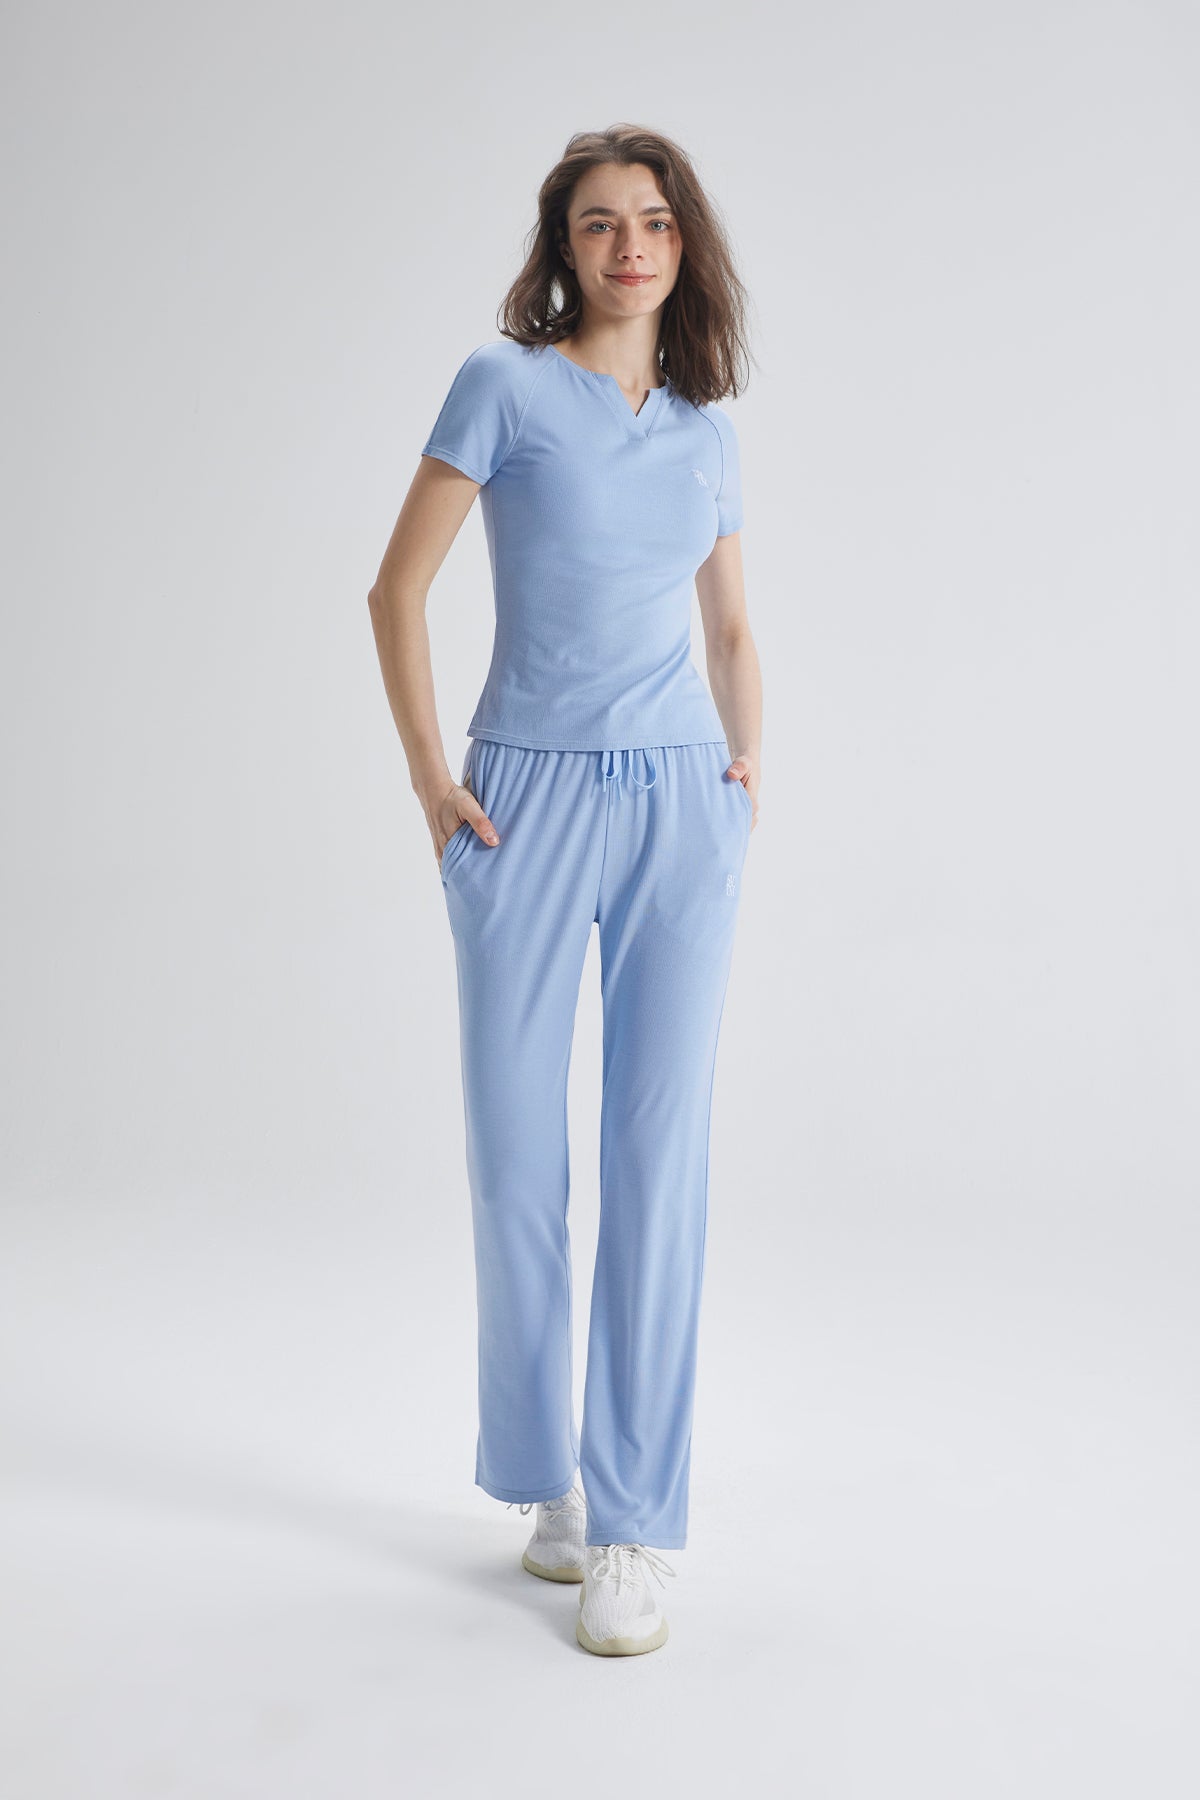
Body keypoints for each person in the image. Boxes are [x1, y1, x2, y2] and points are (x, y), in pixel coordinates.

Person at [367, 124, 762, 1657]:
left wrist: (742, 772)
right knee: (519, 1160)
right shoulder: (505, 386)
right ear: (563, 246)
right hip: (518, 803)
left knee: (660, 1157)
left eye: (653, 221)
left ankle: (637, 1523)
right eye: (600, 223)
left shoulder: (706, 430)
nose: (629, 246)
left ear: (683, 245)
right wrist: (432, 781)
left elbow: (731, 627)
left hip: (680, 806)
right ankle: (550, 1481)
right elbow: (396, 588)